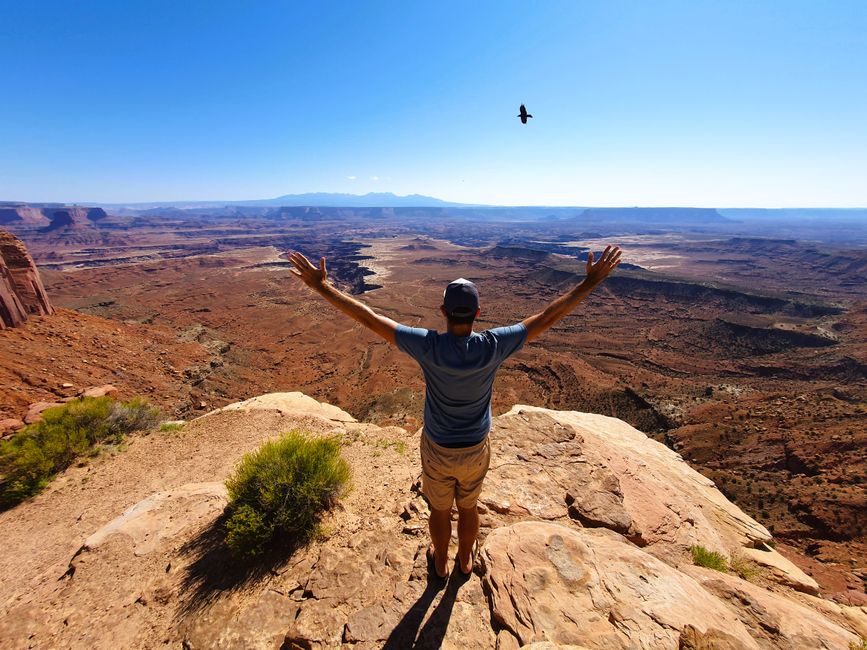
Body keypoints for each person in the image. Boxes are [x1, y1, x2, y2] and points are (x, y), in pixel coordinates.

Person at [288, 245, 622, 578]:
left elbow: (369, 317)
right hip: (475, 447)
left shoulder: (428, 346)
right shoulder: (493, 345)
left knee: (439, 509)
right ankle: (465, 560)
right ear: (478, 313)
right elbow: (548, 316)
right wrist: (589, 283)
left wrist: (320, 287)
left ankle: (441, 562)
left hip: (438, 448)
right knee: (469, 507)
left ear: (443, 312)